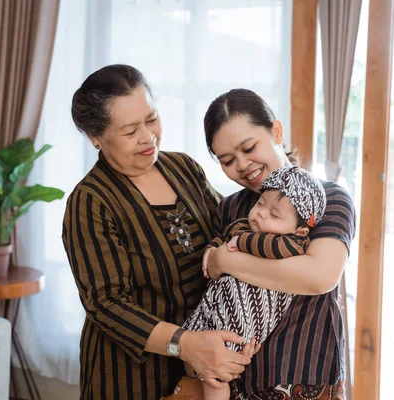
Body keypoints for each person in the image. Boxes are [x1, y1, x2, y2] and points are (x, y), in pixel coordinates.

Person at [62, 65, 257, 400]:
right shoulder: (90, 201)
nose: (148, 137)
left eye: (151, 119)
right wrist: (185, 344)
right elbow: (106, 303)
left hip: (202, 370)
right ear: (96, 137)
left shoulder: (183, 167)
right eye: (129, 131)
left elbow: (229, 224)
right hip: (130, 376)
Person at [203, 89, 356, 399]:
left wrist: (225, 260)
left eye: (249, 147)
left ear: (276, 131)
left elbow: (318, 276)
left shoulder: (327, 199)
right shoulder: (229, 208)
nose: (243, 164)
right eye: (228, 160)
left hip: (305, 373)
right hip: (238, 377)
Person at [179, 165, 327, 400]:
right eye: (260, 204)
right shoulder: (242, 225)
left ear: (299, 230)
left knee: (218, 374)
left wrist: (241, 241)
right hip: (218, 303)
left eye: (275, 214)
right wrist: (211, 249)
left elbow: (271, 247)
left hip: (247, 314)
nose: (260, 214)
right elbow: (222, 237)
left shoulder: (292, 243)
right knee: (189, 347)